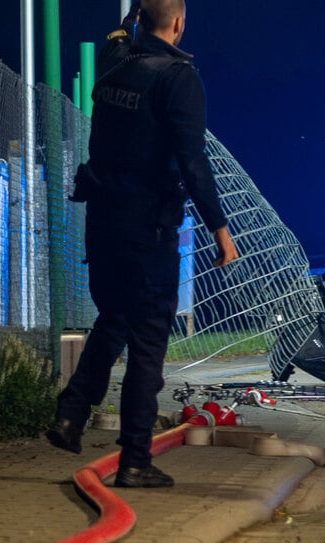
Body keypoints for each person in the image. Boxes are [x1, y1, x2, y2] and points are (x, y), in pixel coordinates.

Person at [46, 0, 239, 487]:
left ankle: (70, 411)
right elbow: (193, 162)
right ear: (178, 22)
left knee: (115, 318)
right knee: (149, 336)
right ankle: (134, 460)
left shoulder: (114, 64)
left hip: (102, 220)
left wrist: (132, 20)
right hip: (148, 226)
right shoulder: (178, 78)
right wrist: (219, 227)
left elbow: (118, 35)